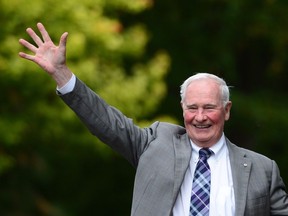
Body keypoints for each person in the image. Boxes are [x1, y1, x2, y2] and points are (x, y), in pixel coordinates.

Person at [19, 23, 288, 216]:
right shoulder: (157, 143)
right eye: (192, 108)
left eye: (209, 107)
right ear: (182, 109)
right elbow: (107, 123)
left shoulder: (262, 170)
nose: (200, 117)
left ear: (226, 110)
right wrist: (62, 75)